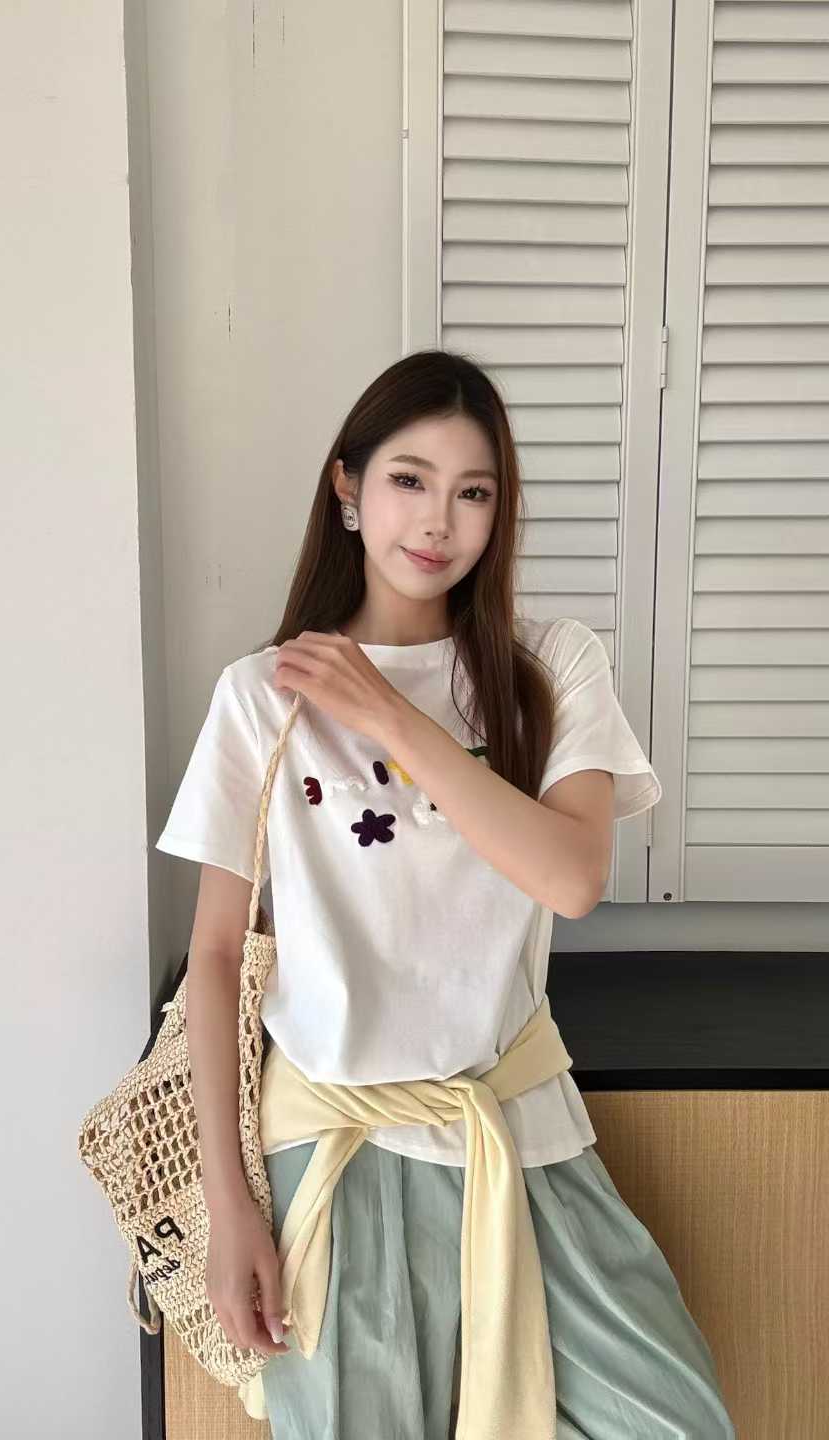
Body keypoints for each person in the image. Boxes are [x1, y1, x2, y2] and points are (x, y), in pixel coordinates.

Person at [155, 350, 737, 1439]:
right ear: (347, 489)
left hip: (518, 1132)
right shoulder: (261, 696)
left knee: (674, 1423)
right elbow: (218, 957)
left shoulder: (550, 667)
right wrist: (228, 1206)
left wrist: (391, 717)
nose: (438, 520)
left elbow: (572, 877)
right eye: (409, 480)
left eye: (474, 492)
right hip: (333, 1148)